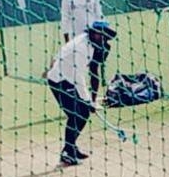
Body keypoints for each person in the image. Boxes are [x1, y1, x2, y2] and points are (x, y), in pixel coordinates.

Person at [46, 21, 117, 166]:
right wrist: (88, 100)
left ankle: (70, 147)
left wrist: (92, 100)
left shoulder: (92, 44)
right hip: (59, 80)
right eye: (101, 35)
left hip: (70, 80)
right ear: (93, 33)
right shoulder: (81, 47)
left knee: (83, 113)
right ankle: (67, 153)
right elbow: (79, 76)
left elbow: (93, 71)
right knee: (75, 114)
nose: (103, 39)